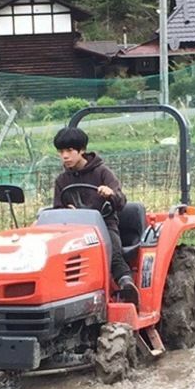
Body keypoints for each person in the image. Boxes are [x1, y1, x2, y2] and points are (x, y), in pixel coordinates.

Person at [52, 126, 136, 299]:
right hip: (75, 230)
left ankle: (126, 284)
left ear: (82, 150)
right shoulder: (62, 180)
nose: (65, 156)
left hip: (104, 224)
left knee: (112, 252)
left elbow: (121, 201)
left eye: (69, 150)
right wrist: (65, 211)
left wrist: (110, 194)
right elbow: (57, 208)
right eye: (61, 152)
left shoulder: (102, 172)